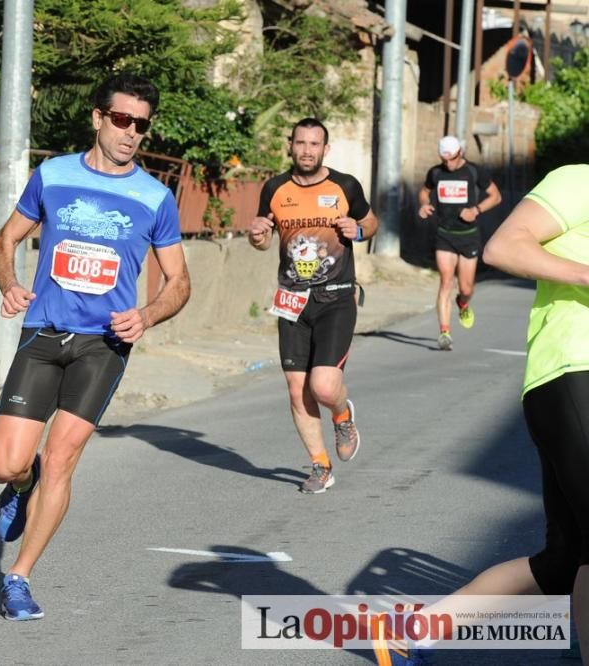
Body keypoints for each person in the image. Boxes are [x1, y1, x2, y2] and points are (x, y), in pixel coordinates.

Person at [0, 72, 191, 621]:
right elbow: (4, 240)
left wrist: (146, 315)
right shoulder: (52, 177)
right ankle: (18, 488)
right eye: (122, 120)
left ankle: (18, 578)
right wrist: (10, 285)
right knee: (7, 464)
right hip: (44, 333)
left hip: (103, 346)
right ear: (98, 118)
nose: (131, 133)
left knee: (61, 459)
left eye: (141, 125)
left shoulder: (155, 197)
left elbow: (179, 283)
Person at [373, 164, 589, 666]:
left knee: (563, 563)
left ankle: (413, 631)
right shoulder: (578, 181)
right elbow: (504, 247)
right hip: (572, 369)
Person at [248, 117, 378, 494]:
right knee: (295, 388)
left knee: (323, 385)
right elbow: (262, 237)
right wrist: (257, 235)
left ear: (326, 149)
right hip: (291, 299)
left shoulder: (345, 185)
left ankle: (341, 414)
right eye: (300, 143)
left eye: (314, 144)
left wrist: (359, 230)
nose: (307, 150)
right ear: (290, 145)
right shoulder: (274, 188)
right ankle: (321, 467)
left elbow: (370, 223)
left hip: (336, 296)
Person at [417, 135, 502, 351]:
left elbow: (495, 196)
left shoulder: (474, 171)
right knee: (446, 280)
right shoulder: (436, 172)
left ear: (460, 153)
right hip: (444, 234)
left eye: (451, 159)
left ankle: (463, 303)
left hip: (469, 235)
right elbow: (424, 192)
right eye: (444, 159)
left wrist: (476, 210)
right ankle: (444, 332)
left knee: (466, 287)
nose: (448, 164)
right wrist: (424, 205)